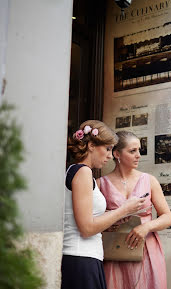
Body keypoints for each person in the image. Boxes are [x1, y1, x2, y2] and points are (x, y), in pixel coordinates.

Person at [62, 121, 146, 289]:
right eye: (107, 149)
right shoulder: (83, 172)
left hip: (84, 258)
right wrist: (124, 209)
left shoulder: (78, 171)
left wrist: (111, 216)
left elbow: (87, 218)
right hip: (81, 260)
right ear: (91, 145)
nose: (109, 155)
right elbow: (86, 228)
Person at [97, 131, 171, 289]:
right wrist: (110, 222)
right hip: (115, 251)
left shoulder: (149, 180)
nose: (138, 155)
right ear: (116, 153)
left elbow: (167, 217)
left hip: (147, 249)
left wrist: (146, 227)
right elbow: (92, 220)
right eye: (132, 151)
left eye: (139, 150)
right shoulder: (100, 184)